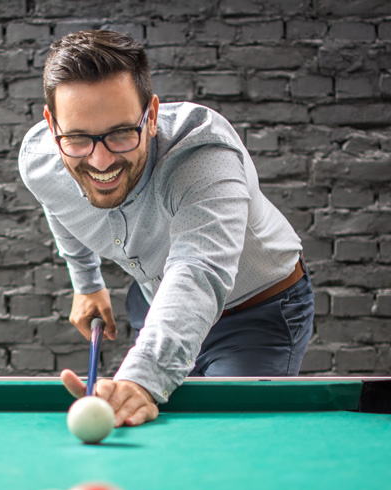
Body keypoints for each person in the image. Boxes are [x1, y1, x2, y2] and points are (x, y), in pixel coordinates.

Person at [18, 30, 314, 429]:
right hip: (157, 303)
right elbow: (63, 200)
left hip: (257, 312)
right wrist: (86, 283)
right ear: (52, 126)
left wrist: (143, 377)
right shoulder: (41, 161)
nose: (101, 160)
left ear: (151, 116)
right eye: (77, 139)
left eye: (122, 133)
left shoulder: (204, 155)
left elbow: (198, 270)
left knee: (228, 438)